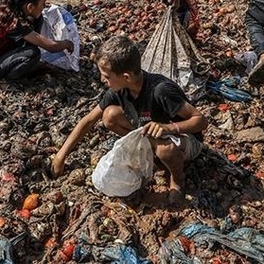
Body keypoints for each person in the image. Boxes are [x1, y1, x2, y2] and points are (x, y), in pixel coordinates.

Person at [49, 36, 207, 204]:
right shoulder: (119, 89)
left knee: (165, 149)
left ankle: (177, 179)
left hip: (185, 140)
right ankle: (152, 152)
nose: (103, 80)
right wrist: (61, 156)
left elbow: (201, 120)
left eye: (107, 76)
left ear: (126, 77)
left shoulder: (160, 90)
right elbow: (89, 120)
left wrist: (168, 128)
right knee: (109, 116)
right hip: (149, 131)